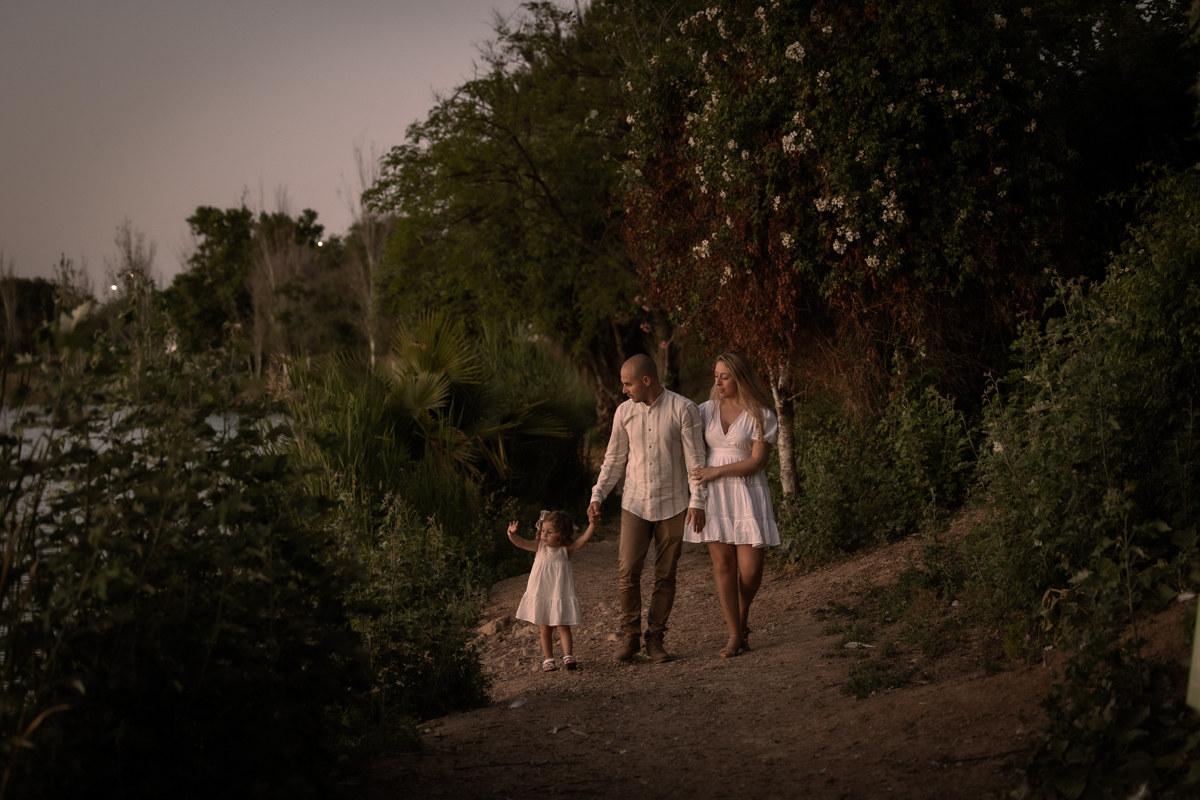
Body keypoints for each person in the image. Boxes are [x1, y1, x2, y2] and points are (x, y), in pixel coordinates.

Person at [588, 354, 707, 663]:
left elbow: (696, 461)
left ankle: (655, 637)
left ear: (646, 380)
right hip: (635, 503)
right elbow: (614, 460)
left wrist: (697, 500)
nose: (624, 389)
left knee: (666, 575)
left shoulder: (683, 408)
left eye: (627, 383)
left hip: (674, 503)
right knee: (628, 571)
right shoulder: (623, 413)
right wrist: (597, 495)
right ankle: (630, 637)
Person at [684, 352, 781, 658]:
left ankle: (741, 619)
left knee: (751, 571)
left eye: (724, 376)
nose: (718, 381)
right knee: (723, 566)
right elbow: (689, 448)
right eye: (716, 375)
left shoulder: (760, 414)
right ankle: (734, 634)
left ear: (740, 377)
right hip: (715, 496)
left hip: (748, 493)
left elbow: (757, 461)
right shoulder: (704, 410)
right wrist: (695, 495)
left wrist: (716, 471)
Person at [508, 510, 597, 672]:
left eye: (550, 532)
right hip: (543, 594)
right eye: (543, 531)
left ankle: (568, 655)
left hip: (559, 594)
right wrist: (512, 535)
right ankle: (549, 659)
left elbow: (584, 539)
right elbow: (521, 542)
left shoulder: (566, 549)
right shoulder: (539, 546)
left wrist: (593, 524)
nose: (544, 535)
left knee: (563, 625)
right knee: (545, 628)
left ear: (561, 534)